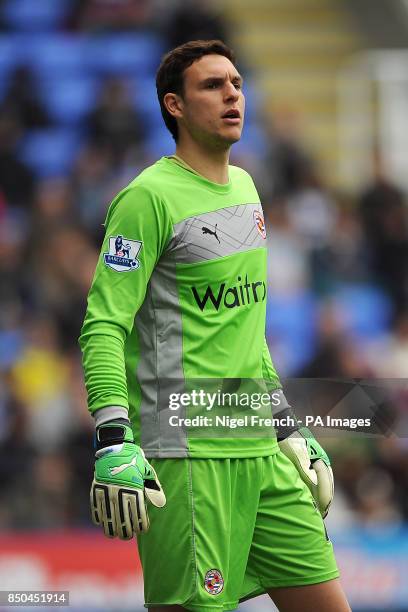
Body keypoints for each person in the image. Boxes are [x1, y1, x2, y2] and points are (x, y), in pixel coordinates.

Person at [80, 40, 351, 612]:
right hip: (188, 455)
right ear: (174, 106)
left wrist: (288, 429)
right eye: (212, 86)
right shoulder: (146, 198)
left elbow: (246, 331)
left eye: (237, 84)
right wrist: (112, 437)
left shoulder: (249, 188)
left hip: (262, 451)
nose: (232, 94)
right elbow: (103, 324)